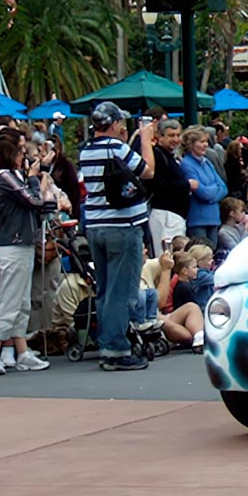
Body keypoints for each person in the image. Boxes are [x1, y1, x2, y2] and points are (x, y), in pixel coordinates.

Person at [79, 101, 156, 372]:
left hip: (96, 225)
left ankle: (108, 344)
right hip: (123, 226)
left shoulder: (86, 151)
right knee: (121, 290)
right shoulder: (117, 147)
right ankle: (116, 349)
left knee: (105, 288)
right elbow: (148, 171)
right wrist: (145, 140)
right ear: (113, 124)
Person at [0, 136, 55, 375]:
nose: (24, 156)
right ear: (10, 155)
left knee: (22, 303)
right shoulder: (5, 178)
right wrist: (33, 177)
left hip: (20, 244)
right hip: (12, 246)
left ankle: (21, 352)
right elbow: (34, 200)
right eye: (20, 152)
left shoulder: (7, 179)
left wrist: (35, 177)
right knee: (9, 302)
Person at [179, 125, 229, 247]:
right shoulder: (186, 164)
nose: (205, 145)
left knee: (212, 256)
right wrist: (213, 191)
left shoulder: (207, 163)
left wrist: (209, 191)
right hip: (197, 220)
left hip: (214, 218)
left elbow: (223, 187)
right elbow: (202, 193)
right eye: (201, 142)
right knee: (200, 255)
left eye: (206, 141)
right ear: (191, 144)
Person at [146, 119, 191, 253]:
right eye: (171, 135)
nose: (176, 139)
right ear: (160, 136)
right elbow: (159, 185)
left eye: (178, 135)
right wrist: (186, 184)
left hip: (176, 216)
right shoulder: (158, 156)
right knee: (166, 256)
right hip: (166, 216)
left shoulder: (172, 157)